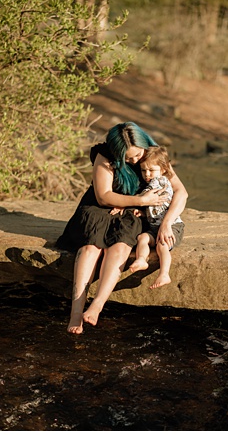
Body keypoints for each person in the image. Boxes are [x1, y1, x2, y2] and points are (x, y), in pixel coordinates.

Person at [55, 121, 188, 334]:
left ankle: (97, 305)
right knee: (91, 248)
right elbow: (103, 196)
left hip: (131, 212)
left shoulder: (153, 154)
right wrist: (141, 201)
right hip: (100, 208)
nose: (135, 161)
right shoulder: (105, 155)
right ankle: (76, 313)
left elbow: (181, 192)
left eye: (137, 155)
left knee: (120, 247)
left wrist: (166, 223)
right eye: (129, 158)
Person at [127, 145, 185, 289]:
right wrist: (143, 213)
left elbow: (145, 197)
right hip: (154, 227)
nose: (147, 174)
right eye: (143, 170)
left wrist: (122, 203)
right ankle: (141, 259)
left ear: (164, 169)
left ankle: (164, 273)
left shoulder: (160, 181)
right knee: (142, 238)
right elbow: (154, 205)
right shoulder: (152, 179)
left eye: (151, 170)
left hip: (172, 226)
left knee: (162, 245)